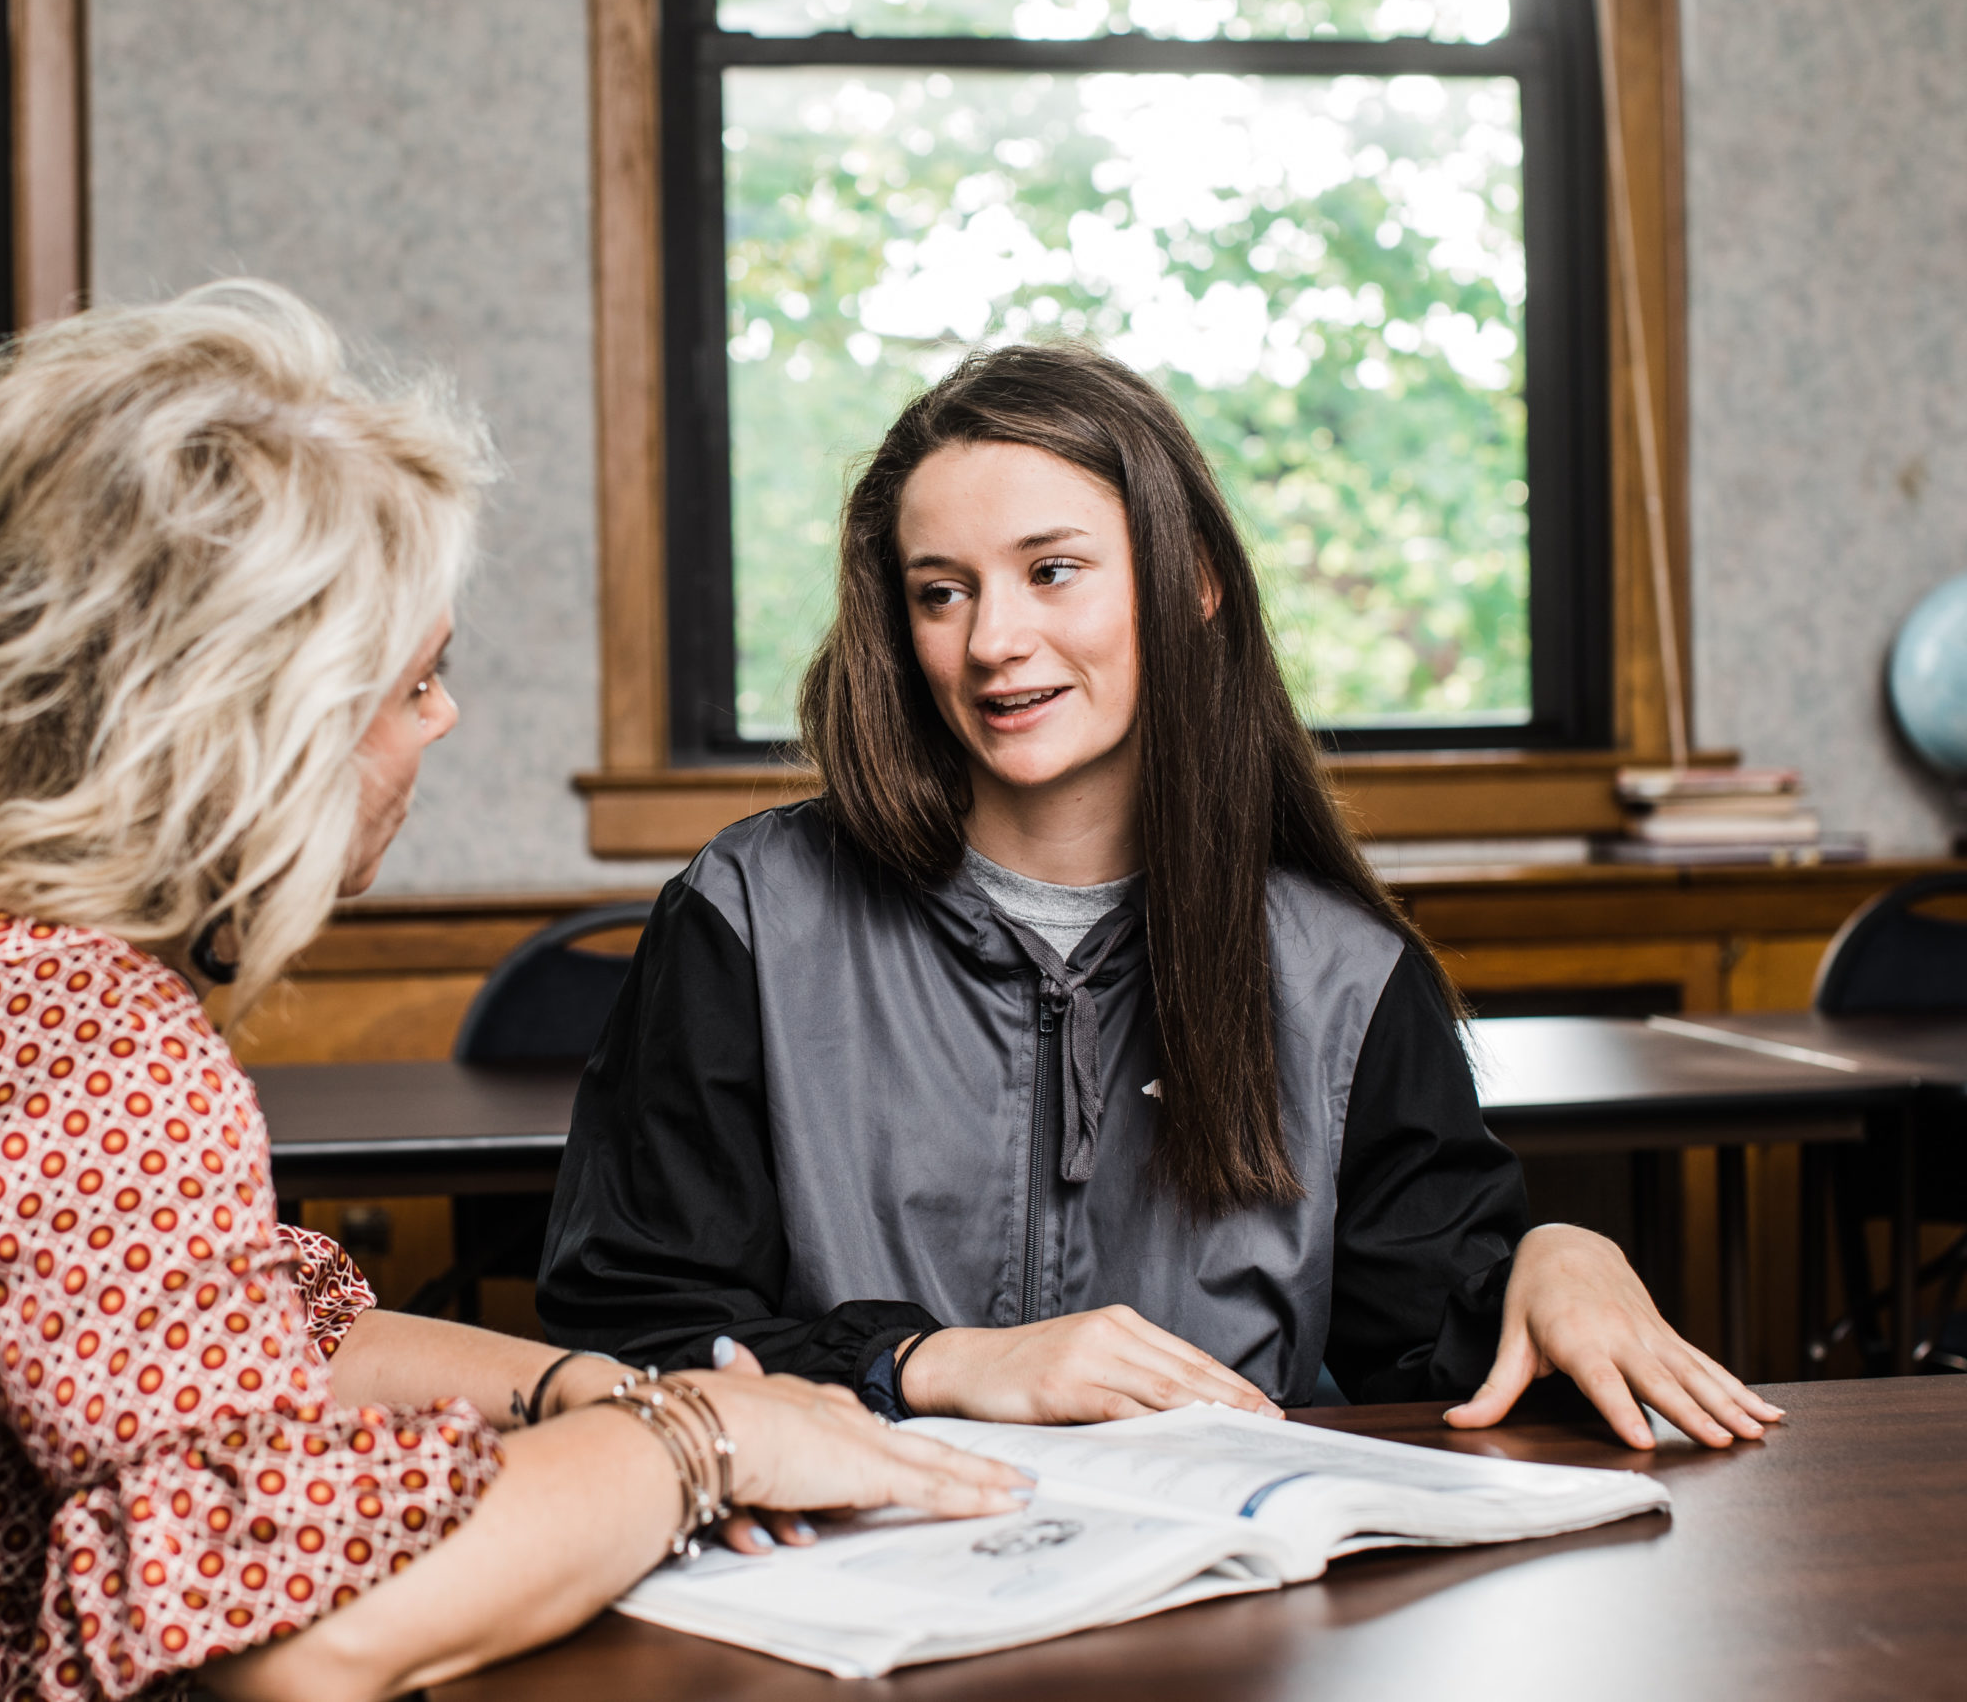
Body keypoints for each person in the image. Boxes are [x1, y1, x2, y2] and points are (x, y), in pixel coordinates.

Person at [0, 282, 1026, 1702]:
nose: (447, 714)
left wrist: (600, 1386)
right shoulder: (53, 1023)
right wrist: (694, 1438)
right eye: (415, 677)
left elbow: (232, 1347)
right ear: (250, 718)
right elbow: (291, 1644)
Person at [537, 340, 1783, 1455]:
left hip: (1212, 1607)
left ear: (1192, 583)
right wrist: (936, 1364)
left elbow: (1440, 1366)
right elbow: (627, 1327)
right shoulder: (748, 919)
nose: (991, 642)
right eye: (942, 590)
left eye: (1053, 570)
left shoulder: (1343, 973)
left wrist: (1556, 1261)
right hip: (841, 1580)